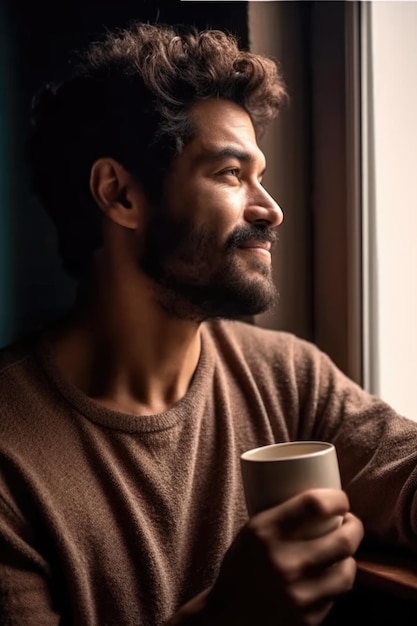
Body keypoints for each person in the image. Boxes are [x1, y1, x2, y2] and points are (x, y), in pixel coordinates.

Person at [0, 20, 416, 626]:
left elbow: (402, 470)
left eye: (262, 176)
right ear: (119, 194)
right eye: (229, 173)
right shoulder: (12, 452)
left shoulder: (285, 376)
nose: (270, 209)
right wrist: (227, 615)